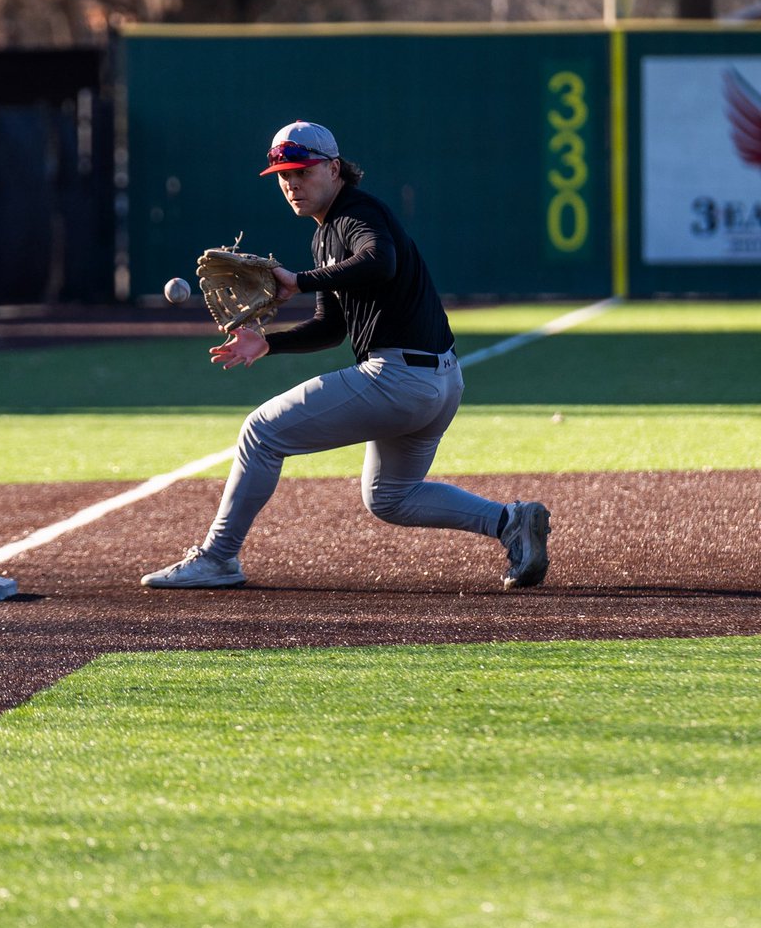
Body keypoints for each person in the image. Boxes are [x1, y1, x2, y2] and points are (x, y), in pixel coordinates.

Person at [141, 119, 550, 591]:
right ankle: (510, 522)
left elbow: (381, 261)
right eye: (283, 175)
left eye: (303, 171)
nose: (292, 183)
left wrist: (302, 280)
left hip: (399, 379)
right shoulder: (325, 235)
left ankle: (217, 557)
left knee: (260, 433)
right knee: (390, 497)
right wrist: (268, 341)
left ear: (334, 169)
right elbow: (330, 328)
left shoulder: (356, 214)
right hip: (439, 382)